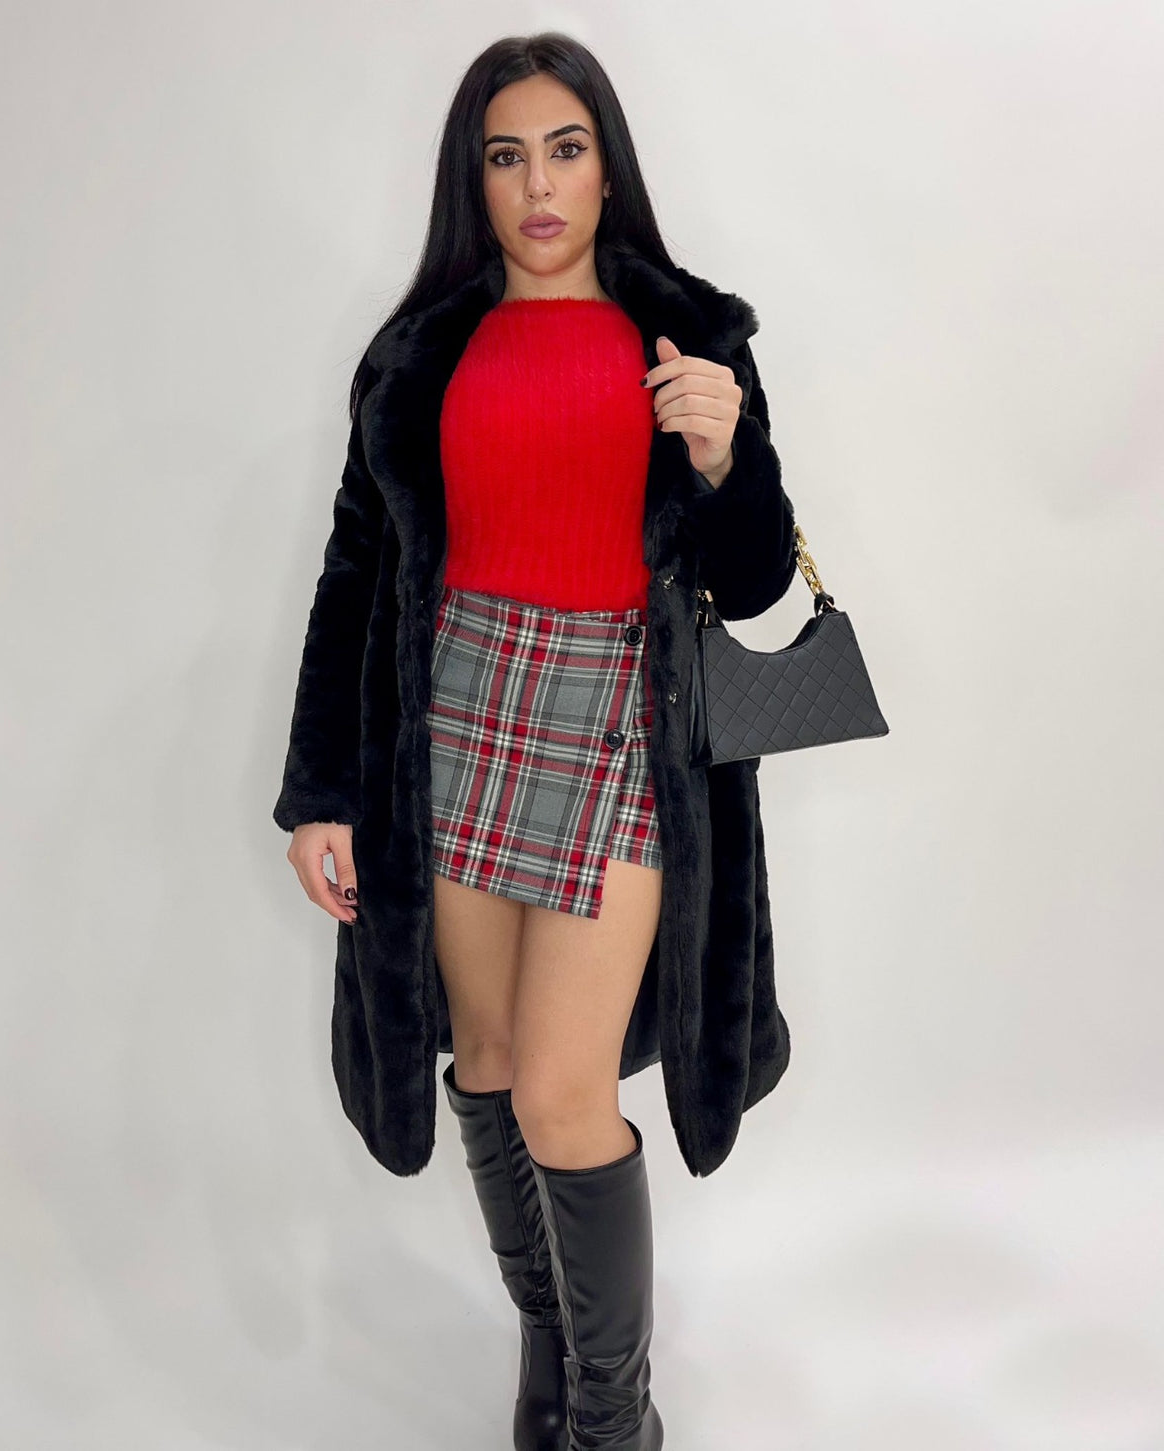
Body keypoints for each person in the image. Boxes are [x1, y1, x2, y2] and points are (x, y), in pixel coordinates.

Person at [273, 31, 798, 1451]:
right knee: (493, 1065)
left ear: (608, 168)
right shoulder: (417, 355)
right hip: (454, 717)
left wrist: (722, 454)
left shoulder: (691, 337)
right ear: (476, 182)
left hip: (621, 721)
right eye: (507, 158)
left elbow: (755, 583)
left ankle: (616, 1423)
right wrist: (323, 791)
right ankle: (551, 1350)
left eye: (567, 150)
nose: (540, 185)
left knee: (569, 1097)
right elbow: (354, 576)